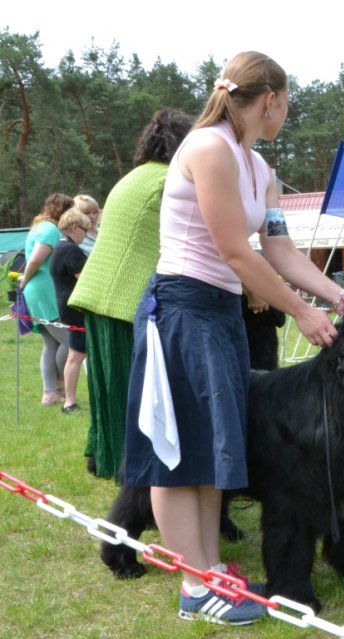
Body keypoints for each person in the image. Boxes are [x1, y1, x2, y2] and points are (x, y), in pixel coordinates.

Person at [123, 51, 344, 626]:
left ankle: (210, 571)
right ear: (270, 100)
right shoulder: (208, 149)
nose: (286, 116)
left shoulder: (260, 169)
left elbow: (278, 249)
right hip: (181, 311)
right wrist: (300, 311)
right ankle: (194, 586)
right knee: (177, 451)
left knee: (210, 447)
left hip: (221, 314)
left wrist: (337, 295)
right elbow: (233, 250)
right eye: (287, 105)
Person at [69, 109, 194, 480]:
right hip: (126, 297)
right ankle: (131, 471)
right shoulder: (169, 180)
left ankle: (101, 455)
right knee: (134, 392)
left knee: (106, 387)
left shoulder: (131, 177)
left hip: (98, 291)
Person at [19, 193, 75, 406]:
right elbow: (35, 260)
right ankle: (59, 386)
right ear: (62, 210)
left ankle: (50, 392)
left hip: (41, 291)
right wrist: (24, 281)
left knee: (51, 343)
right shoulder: (50, 229)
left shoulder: (41, 226)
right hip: (44, 292)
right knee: (72, 342)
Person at [50, 208, 90, 413]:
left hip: (66, 307)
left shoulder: (59, 247)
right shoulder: (71, 250)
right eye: (85, 230)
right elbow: (85, 281)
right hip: (76, 309)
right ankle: (70, 402)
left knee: (76, 355)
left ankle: (71, 401)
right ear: (75, 228)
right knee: (76, 356)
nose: (86, 235)